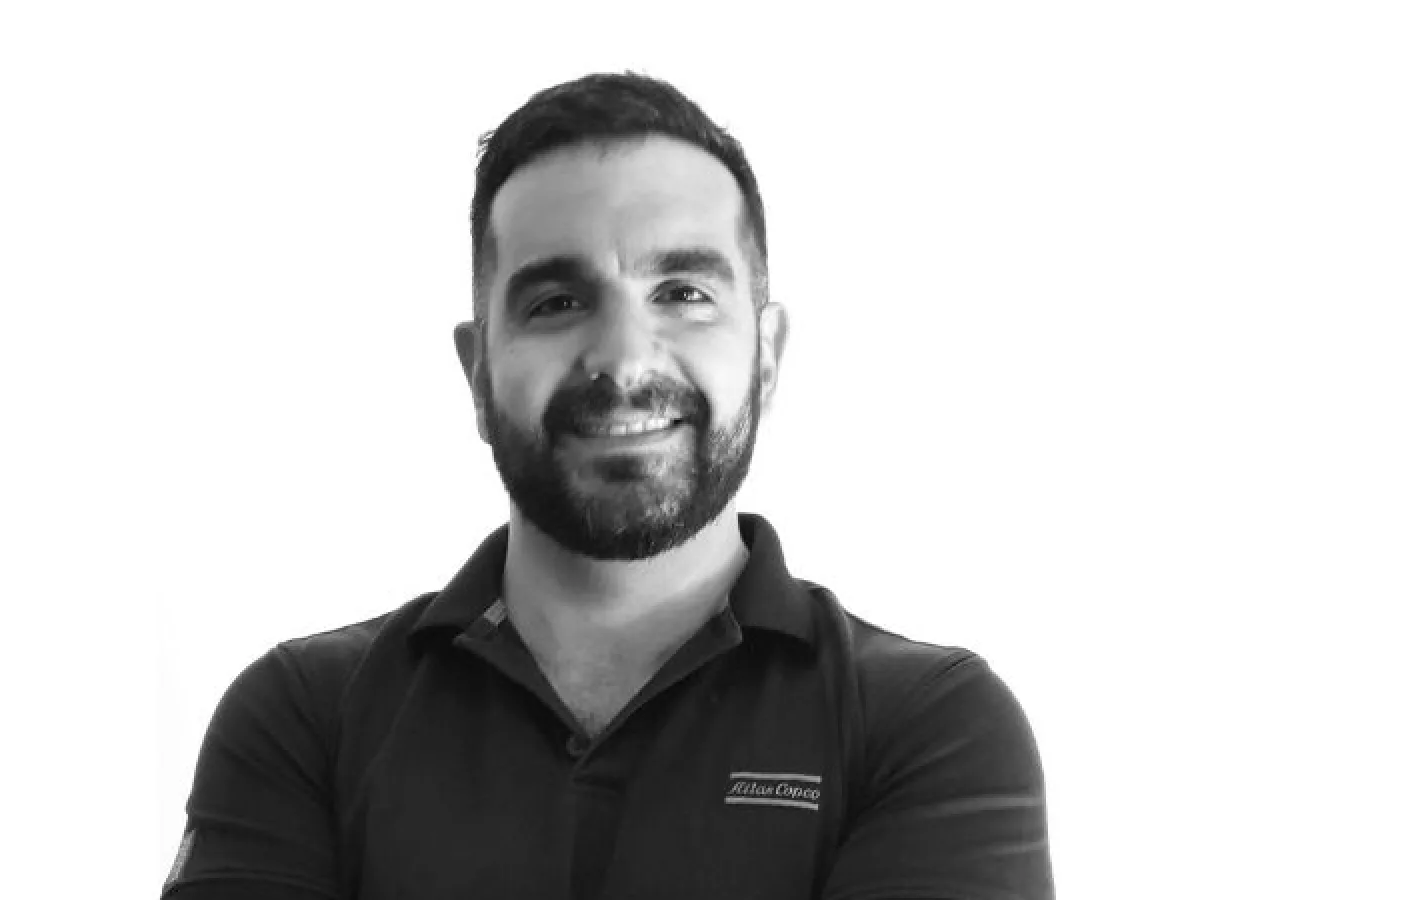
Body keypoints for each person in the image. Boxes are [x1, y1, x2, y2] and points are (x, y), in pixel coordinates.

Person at [163, 72, 1054, 900]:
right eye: (556, 303)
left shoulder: (929, 724)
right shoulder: (303, 717)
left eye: (684, 292)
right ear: (478, 373)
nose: (625, 361)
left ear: (767, 355)